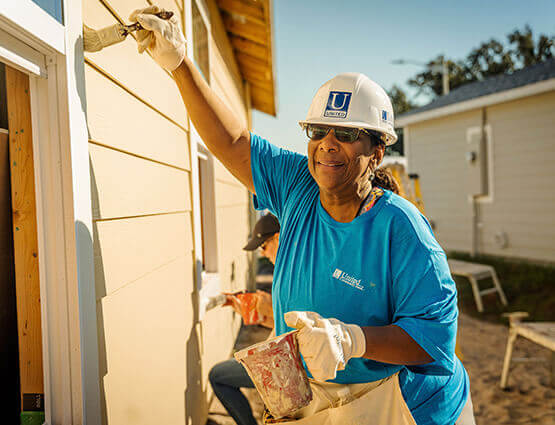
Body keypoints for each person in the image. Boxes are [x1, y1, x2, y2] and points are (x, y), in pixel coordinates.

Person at [129, 6, 475, 425]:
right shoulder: (298, 185)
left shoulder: (401, 229)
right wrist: (180, 62)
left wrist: (352, 340)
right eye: (318, 130)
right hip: (319, 397)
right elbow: (234, 141)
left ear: (377, 150)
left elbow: (434, 340)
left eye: (346, 135)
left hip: (400, 403)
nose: (327, 144)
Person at [209, 213, 279, 425]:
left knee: (217, 376)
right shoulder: (289, 270)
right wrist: (246, 310)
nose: (263, 254)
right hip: (282, 354)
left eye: (263, 246)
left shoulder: (287, 276)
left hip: (286, 362)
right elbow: (281, 321)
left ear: (277, 238)